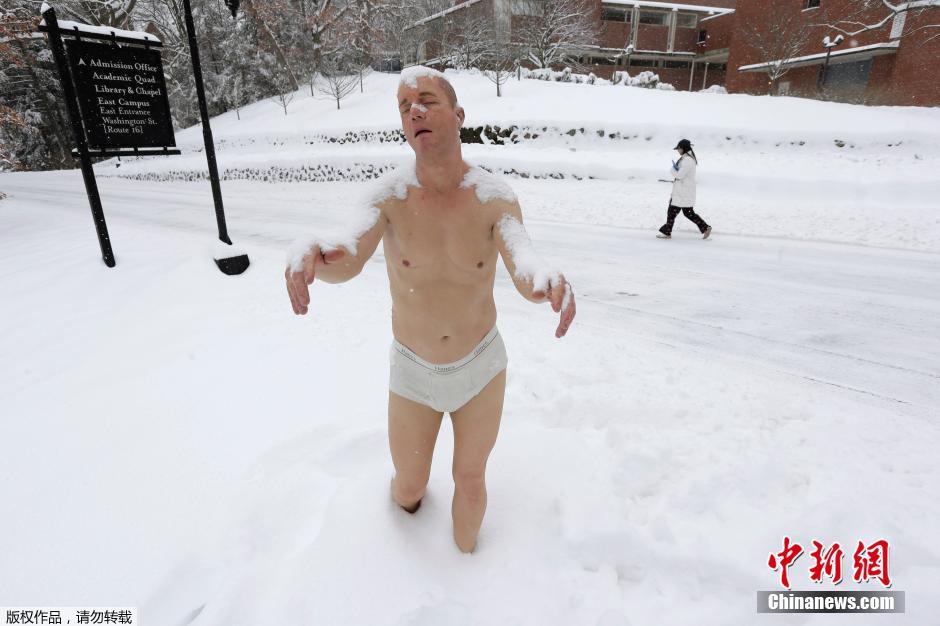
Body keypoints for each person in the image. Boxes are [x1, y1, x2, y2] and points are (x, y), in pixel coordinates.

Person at [284, 66, 576, 554]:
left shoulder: (495, 198)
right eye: (404, 108)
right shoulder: (388, 197)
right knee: (409, 485)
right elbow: (347, 256)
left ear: (458, 115)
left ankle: (469, 569)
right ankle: (402, 545)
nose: (414, 111)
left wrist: (545, 282)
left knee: (471, 479)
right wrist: (314, 256)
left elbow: (524, 265)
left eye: (426, 100)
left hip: (480, 367)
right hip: (413, 373)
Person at [657, 139, 712, 239]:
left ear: (684, 148)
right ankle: (705, 227)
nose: (678, 151)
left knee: (676, 212)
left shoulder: (688, 161)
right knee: (684, 212)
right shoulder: (686, 158)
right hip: (682, 191)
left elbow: (679, 175)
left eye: (679, 149)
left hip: (683, 192)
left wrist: (672, 169)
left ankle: (668, 232)